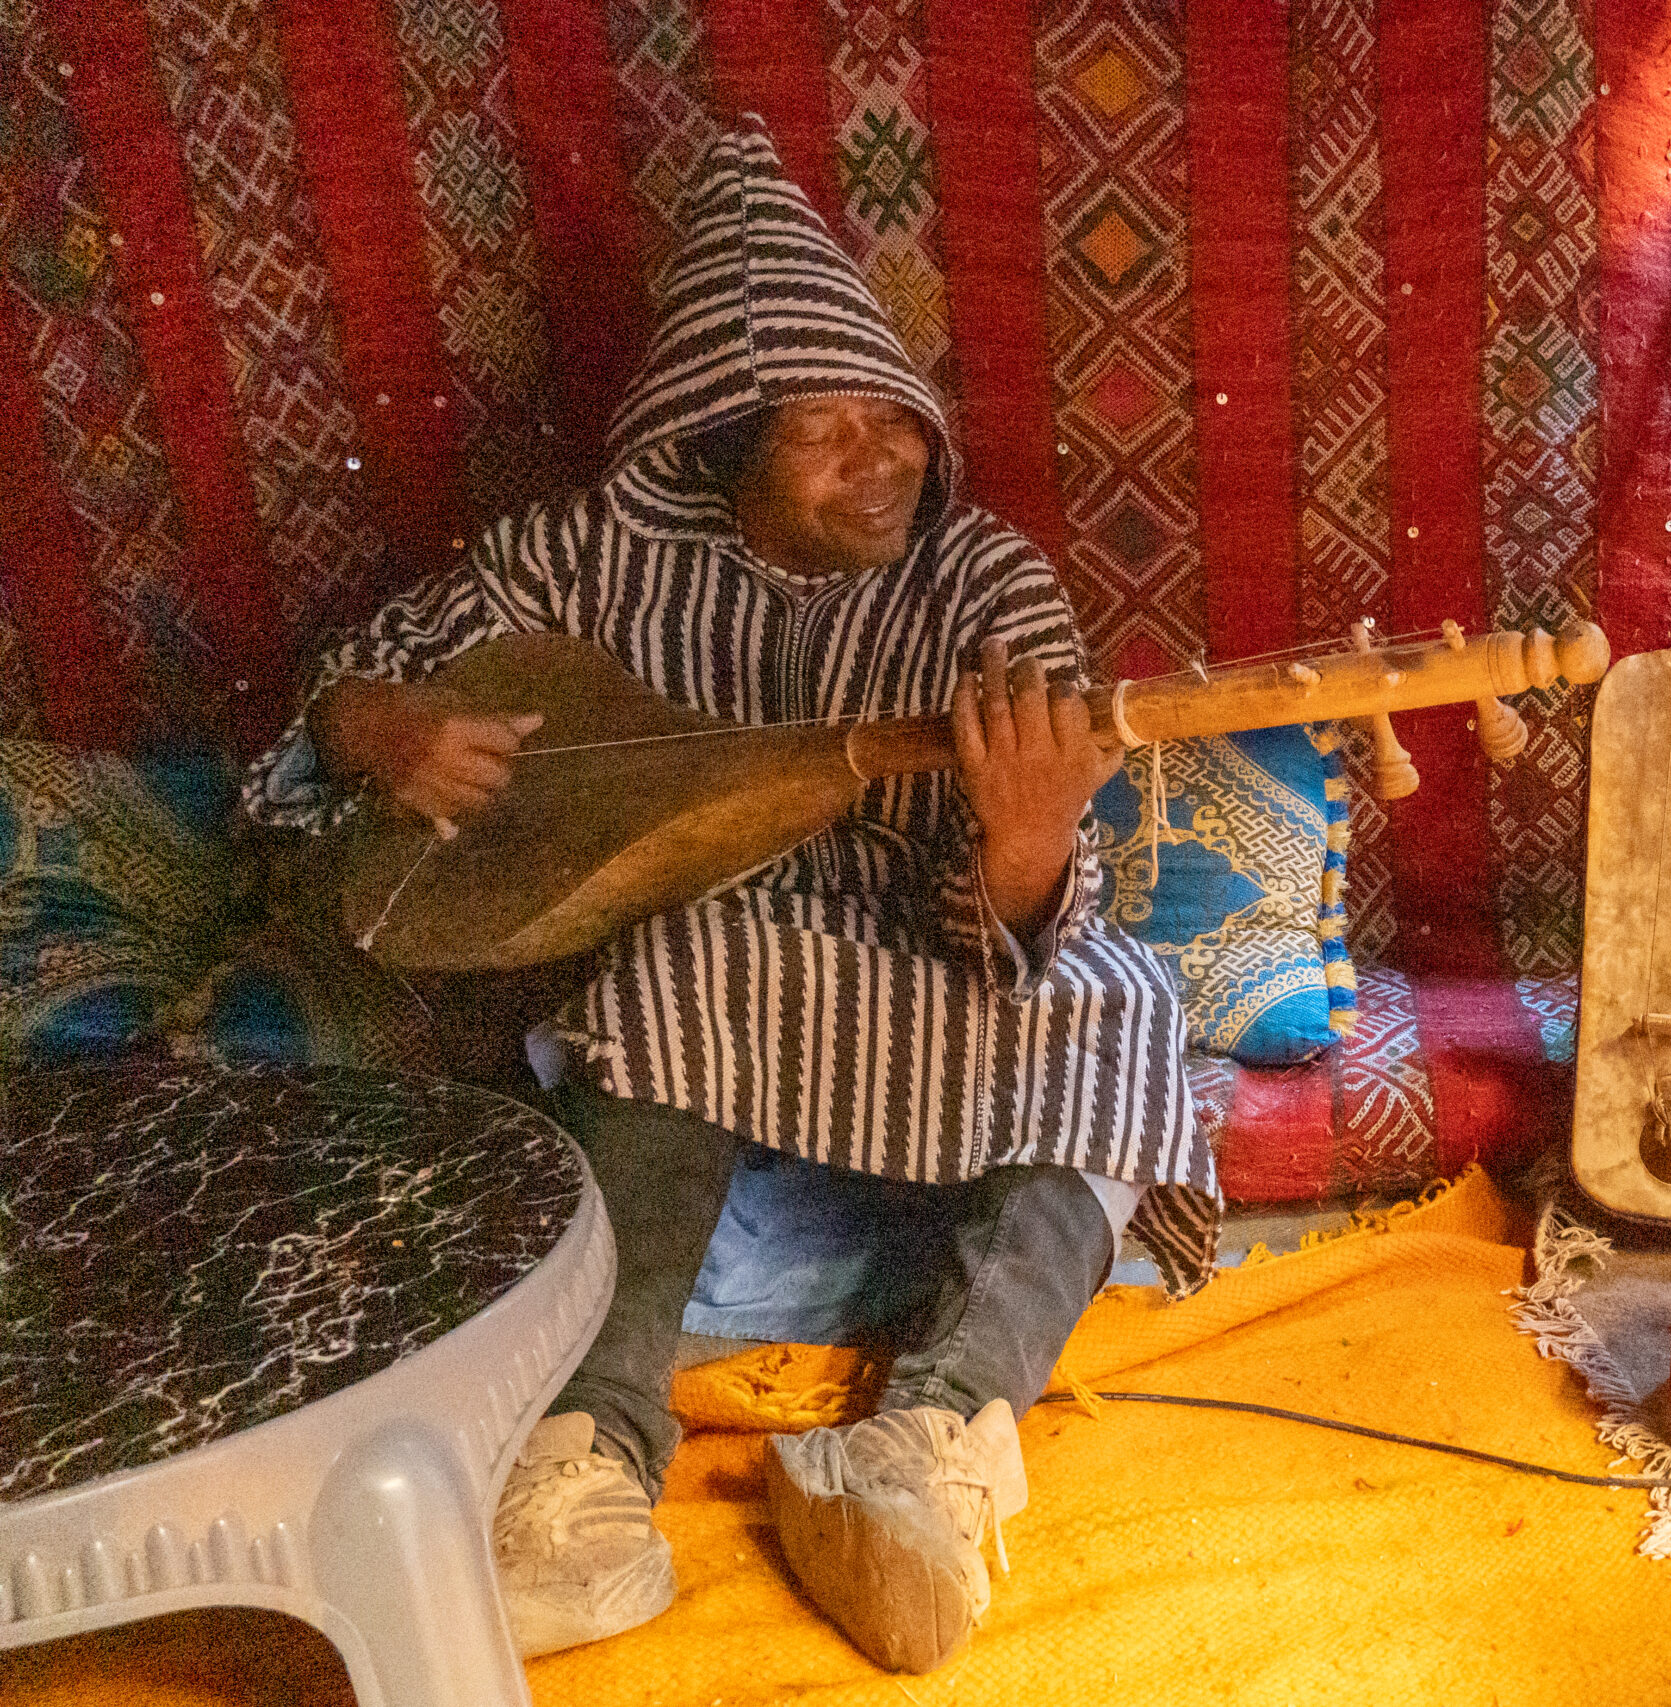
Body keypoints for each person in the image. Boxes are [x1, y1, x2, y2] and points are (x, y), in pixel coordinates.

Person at [243, 126, 1218, 1676]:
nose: (881, 455)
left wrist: (1029, 842)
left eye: (892, 418)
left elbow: (1032, 926)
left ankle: (928, 1449)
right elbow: (341, 693)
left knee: (1132, 1006)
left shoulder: (982, 585)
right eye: (824, 430)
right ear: (725, 437)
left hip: (930, 993)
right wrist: (384, 731)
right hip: (687, 1036)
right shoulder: (582, 557)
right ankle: (586, 1470)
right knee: (699, 944)